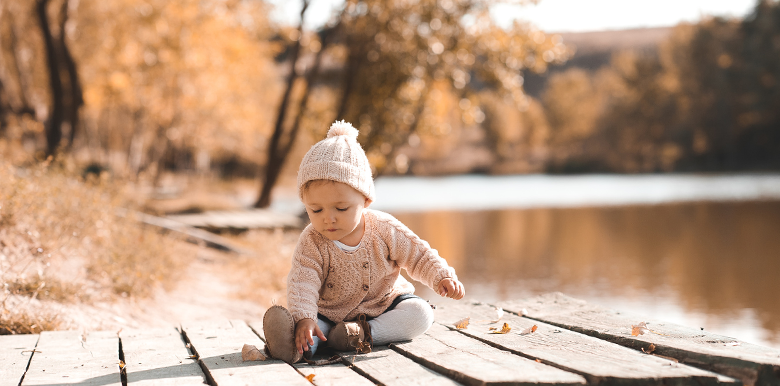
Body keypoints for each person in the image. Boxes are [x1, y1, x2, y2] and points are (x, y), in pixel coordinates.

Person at [263, 120, 465, 364]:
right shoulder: (312, 241)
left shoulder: (384, 228)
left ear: (366, 199)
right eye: (315, 210)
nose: (328, 218)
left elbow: (418, 254)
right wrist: (305, 317)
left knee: (421, 314)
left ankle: (361, 335)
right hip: (329, 316)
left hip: (383, 306)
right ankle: (294, 344)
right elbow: (302, 280)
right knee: (312, 330)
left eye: (341, 207)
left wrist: (441, 276)